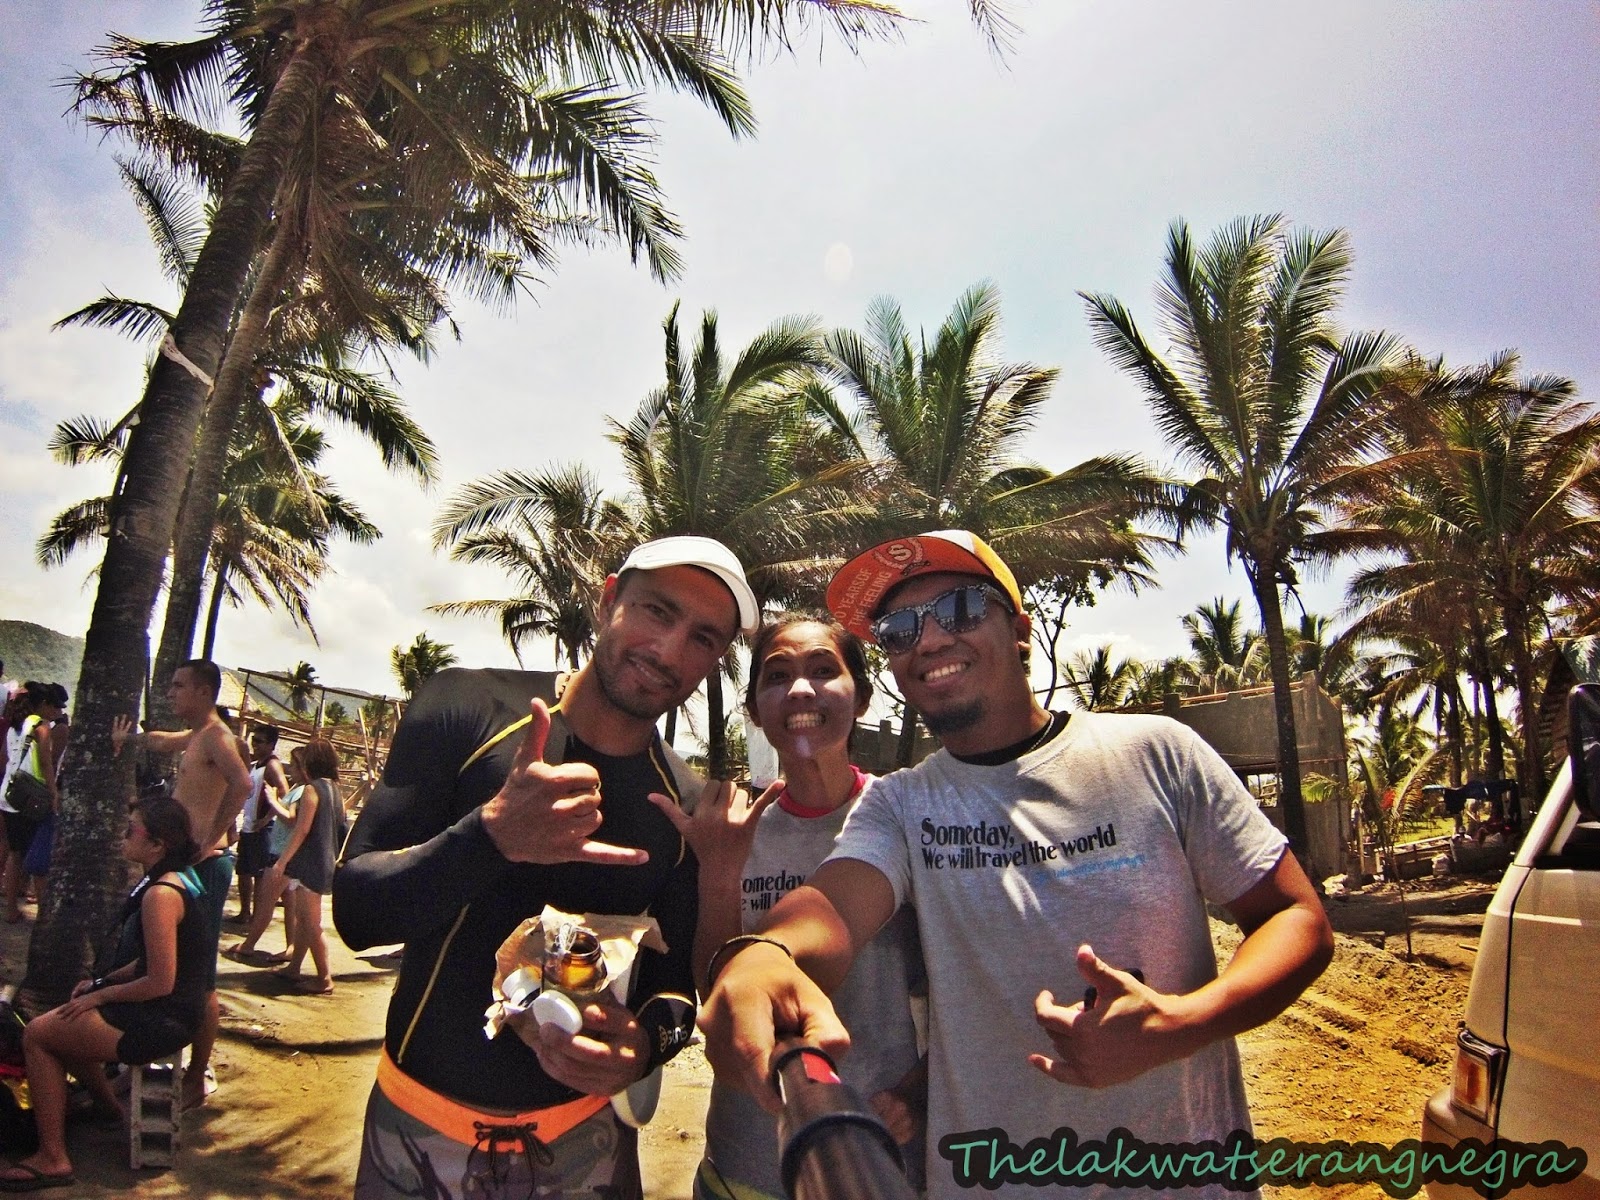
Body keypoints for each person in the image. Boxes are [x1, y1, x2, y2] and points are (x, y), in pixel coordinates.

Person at [700, 531, 1335, 1200]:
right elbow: (831, 908)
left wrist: (1183, 1025)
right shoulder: (901, 805)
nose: (930, 640)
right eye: (900, 629)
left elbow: (1295, 917)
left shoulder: (1157, 754)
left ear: (1021, 630)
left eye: (961, 609)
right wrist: (765, 955)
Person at [334, 535, 759, 1200]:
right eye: (657, 611)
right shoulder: (466, 708)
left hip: (586, 1153)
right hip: (415, 1139)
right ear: (609, 599)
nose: (669, 651)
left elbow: (675, 990)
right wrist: (491, 837)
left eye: (703, 638)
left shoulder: (681, 805)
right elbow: (358, 913)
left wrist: (643, 1047)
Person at [652, 612, 927, 1200]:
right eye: (777, 676)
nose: (800, 689)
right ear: (755, 710)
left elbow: (959, 994)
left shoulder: (907, 820)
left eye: (824, 670)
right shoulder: (733, 830)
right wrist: (719, 872)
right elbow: (716, 992)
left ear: (862, 696)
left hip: (872, 1152)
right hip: (744, 1156)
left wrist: (917, 1094)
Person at [0, 797, 208, 1192]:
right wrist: (101, 984)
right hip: (167, 1010)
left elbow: (159, 981)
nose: (123, 835)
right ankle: (107, 1107)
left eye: (131, 830)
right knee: (65, 1019)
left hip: (165, 1019)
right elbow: (149, 962)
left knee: (38, 1035)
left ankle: (53, 1158)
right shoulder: (169, 881)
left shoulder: (161, 895)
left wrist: (99, 998)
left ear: (157, 845)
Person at [111, 658, 253, 1111]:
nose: (170, 693)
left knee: (200, 976)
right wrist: (130, 739)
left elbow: (243, 783)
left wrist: (208, 840)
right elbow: (161, 739)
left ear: (203, 692)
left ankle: (196, 1075)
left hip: (205, 867)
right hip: (189, 865)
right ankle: (150, 1058)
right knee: (161, 962)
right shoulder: (196, 735)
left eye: (178, 686)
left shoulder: (216, 737)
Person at [264, 739, 344, 995]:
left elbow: (301, 829)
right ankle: (294, 966)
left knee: (311, 922)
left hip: (310, 862)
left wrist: (282, 861)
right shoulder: (334, 789)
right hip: (324, 860)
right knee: (304, 918)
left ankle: (324, 978)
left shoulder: (312, 789)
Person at [1, 684, 57, 924]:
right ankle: (43, 914)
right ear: (43, 704)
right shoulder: (40, 726)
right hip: (31, 798)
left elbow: (5, 757)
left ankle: (11, 908)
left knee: (16, 854)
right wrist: (54, 792)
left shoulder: (14, 725)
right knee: (38, 855)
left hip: (10, 794)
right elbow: (45, 762)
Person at [234, 725, 289, 925]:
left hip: (263, 828)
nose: (254, 744)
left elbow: (284, 792)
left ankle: (257, 917)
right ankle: (245, 912)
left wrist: (266, 819)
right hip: (249, 825)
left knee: (259, 874)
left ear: (271, 745)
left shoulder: (272, 765)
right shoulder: (256, 765)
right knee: (243, 871)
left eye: (259, 741)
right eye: (253, 740)